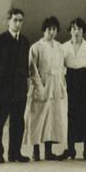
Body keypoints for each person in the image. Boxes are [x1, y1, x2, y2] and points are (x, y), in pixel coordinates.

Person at [23, 16, 69, 162]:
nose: (52, 32)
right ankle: (36, 151)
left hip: (55, 85)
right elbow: (33, 69)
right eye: (49, 29)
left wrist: (62, 86)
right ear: (44, 30)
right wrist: (39, 87)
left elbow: (62, 68)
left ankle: (48, 151)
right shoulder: (36, 47)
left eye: (54, 29)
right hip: (41, 84)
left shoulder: (59, 47)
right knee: (37, 117)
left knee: (52, 119)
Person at [0, 8, 31, 163]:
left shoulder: (25, 41)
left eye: (21, 20)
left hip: (19, 89)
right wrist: (2, 81)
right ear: (9, 21)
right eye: (15, 20)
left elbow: (26, 66)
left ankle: (15, 153)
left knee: (17, 122)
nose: (18, 23)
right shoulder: (0, 40)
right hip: (3, 88)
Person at [61, 17, 86, 161]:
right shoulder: (63, 47)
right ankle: (71, 149)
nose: (76, 32)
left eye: (80, 29)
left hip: (85, 80)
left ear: (84, 31)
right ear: (70, 31)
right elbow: (62, 65)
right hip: (69, 79)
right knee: (71, 114)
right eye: (74, 29)